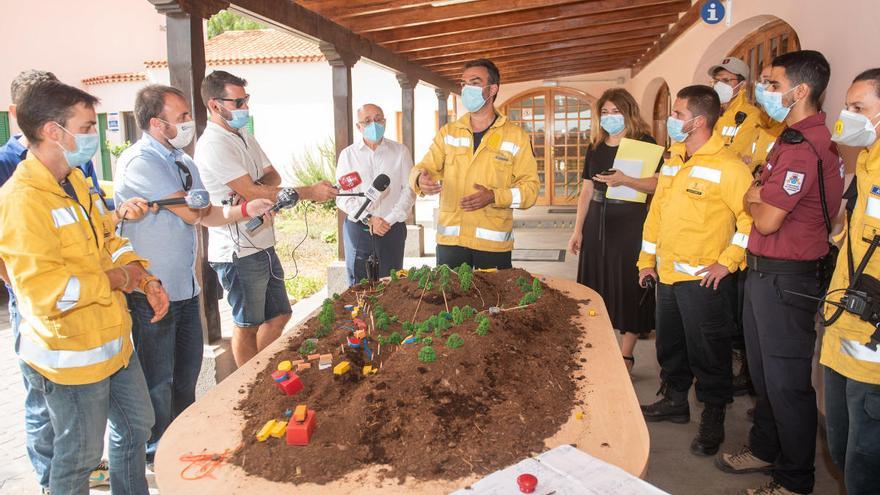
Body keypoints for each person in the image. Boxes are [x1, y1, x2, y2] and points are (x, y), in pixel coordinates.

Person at [0, 79, 169, 494]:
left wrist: (143, 278)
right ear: (54, 132)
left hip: (113, 341)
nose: (96, 135)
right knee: (78, 457)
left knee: (135, 428)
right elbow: (47, 294)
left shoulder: (75, 182)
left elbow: (108, 241)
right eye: (89, 126)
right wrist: (117, 279)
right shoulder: (22, 201)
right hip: (70, 358)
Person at [114, 84, 275, 465]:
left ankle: (179, 442)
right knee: (159, 378)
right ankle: (156, 451)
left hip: (185, 286)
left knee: (184, 375)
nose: (190, 122)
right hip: (151, 289)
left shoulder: (183, 162)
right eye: (182, 116)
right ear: (157, 123)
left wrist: (247, 208)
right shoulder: (141, 162)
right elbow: (192, 213)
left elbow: (210, 213)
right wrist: (205, 207)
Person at [716, 50, 843, 495]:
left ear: (800, 90)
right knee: (764, 374)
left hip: (786, 279)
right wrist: (757, 194)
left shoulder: (805, 146)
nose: (763, 91)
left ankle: (794, 480)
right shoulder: (786, 138)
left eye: (771, 83)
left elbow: (767, 217)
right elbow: (761, 198)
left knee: (787, 383)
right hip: (762, 273)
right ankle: (766, 448)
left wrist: (754, 195)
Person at [637, 85, 753, 457]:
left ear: (699, 121)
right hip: (667, 277)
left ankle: (714, 415)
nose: (671, 119)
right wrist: (646, 261)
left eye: (678, 114)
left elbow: (751, 219)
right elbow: (656, 214)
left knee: (709, 353)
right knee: (670, 347)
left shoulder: (730, 167)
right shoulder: (673, 159)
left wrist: (729, 260)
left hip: (703, 281)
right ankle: (674, 400)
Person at [194, 70, 337, 366]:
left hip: (261, 242)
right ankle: (246, 383)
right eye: (237, 102)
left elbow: (273, 175)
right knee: (247, 323)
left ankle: (262, 368)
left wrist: (256, 187)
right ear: (214, 105)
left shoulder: (243, 134)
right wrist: (307, 191)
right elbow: (250, 188)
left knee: (280, 314)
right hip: (238, 251)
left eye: (246, 100)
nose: (244, 108)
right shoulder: (213, 144)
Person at [411, 59, 539, 270]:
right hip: (451, 243)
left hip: (493, 247)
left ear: (493, 89)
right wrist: (420, 180)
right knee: (449, 302)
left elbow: (530, 190)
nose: (466, 89)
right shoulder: (448, 132)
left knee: (492, 303)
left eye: (475, 82)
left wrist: (494, 196)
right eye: (463, 83)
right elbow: (424, 167)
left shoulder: (516, 137)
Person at [818, 68, 880, 495]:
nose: (846, 116)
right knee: (841, 449)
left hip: (872, 350)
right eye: (846, 105)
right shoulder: (867, 165)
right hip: (842, 329)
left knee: (865, 463)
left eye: (858, 109)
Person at [568, 88, 660, 372]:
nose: (610, 118)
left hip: (630, 220)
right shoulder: (595, 146)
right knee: (596, 283)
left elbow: (658, 184)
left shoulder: (644, 142)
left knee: (629, 284)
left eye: (616, 112)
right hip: (597, 219)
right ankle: (599, 345)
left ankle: (626, 354)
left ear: (628, 112)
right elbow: (586, 190)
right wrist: (577, 229)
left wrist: (626, 180)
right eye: (605, 113)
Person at [336, 103, 415, 285]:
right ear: (359, 126)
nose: (374, 124)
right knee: (359, 286)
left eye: (378, 119)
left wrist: (389, 220)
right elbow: (343, 196)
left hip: (391, 228)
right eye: (368, 121)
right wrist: (368, 218)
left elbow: (409, 191)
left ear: (385, 122)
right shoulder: (348, 155)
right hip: (359, 228)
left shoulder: (400, 152)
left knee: (391, 285)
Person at [710, 57, 763, 163]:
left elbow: (738, 152)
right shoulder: (709, 111)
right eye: (716, 81)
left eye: (726, 80)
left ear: (742, 84)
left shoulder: (751, 115)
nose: (719, 85)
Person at [749, 65, 788, 175]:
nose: (760, 87)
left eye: (767, 81)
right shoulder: (761, 117)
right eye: (760, 81)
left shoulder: (788, 123)